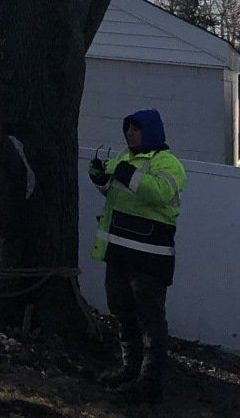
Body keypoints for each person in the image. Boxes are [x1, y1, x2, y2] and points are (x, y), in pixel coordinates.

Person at [89, 108, 188, 403]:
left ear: (151, 131)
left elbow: (159, 193)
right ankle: (129, 369)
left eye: (136, 129)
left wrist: (124, 172)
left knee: (150, 320)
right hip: (119, 253)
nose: (130, 134)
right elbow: (115, 193)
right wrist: (100, 178)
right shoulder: (125, 158)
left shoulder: (168, 163)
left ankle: (150, 382)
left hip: (150, 258)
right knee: (121, 311)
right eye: (128, 129)